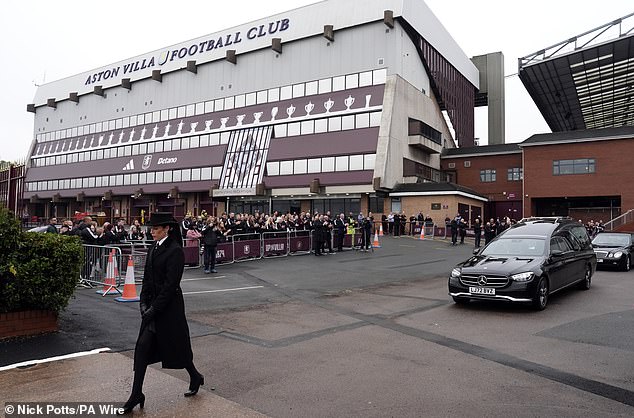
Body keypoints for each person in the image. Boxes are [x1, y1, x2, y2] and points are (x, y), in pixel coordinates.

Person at [119, 212, 203, 414]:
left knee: (177, 347)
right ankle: (136, 394)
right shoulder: (152, 248)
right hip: (152, 309)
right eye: (151, 229)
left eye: (155, 228)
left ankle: (194, 375)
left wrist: (154, 308)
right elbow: (147, 279)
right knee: (142, 349)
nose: (152, 232)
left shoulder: (175, 251)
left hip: (169, 309)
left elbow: (170, 285)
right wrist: (143, 303)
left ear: (166, 229)